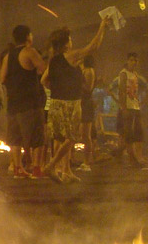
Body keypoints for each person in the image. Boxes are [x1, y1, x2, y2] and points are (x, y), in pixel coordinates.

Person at [42, 19, 108, 182]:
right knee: (72, 137)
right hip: (71, 103)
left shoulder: (54, 60)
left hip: (56, 103)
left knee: (59, 138)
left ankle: (65, 171)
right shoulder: (70, 56)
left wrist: (59, 87)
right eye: (70, 39)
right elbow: (93, 47)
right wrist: (102, 27)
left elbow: (43, 81)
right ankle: (51, 166)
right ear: (65, 44)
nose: (72, 42)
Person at [0, 25, 47, 178]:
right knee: (37, 137)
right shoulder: (29, 52)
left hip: (13, 103)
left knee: (15, 138)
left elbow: (1, 78)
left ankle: (18, 168)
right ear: (27, 37)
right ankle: (37, 169)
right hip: (30, 103)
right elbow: (44, 68)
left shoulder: (8, 56)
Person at [109, 51, 148, 167]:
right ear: (127, 61)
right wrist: (123, 107)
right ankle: (131, 159)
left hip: (135, 107)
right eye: (131, 60)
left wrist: (142, 102)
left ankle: (137, 157)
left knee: (138, 132)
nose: (134, 62)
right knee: (128, 135)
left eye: (135, 60)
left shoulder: (135, 75)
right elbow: (121, 91)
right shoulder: (123, 74)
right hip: (127, 108)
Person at [78, 55, 97, 171]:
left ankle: (87, 161)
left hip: (86, 104)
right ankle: (86, 160)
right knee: (81, 133)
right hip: (81, 103)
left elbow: (88, 88)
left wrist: (77, 81)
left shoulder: (89, 71)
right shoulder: (84, 70)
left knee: (86, 135)